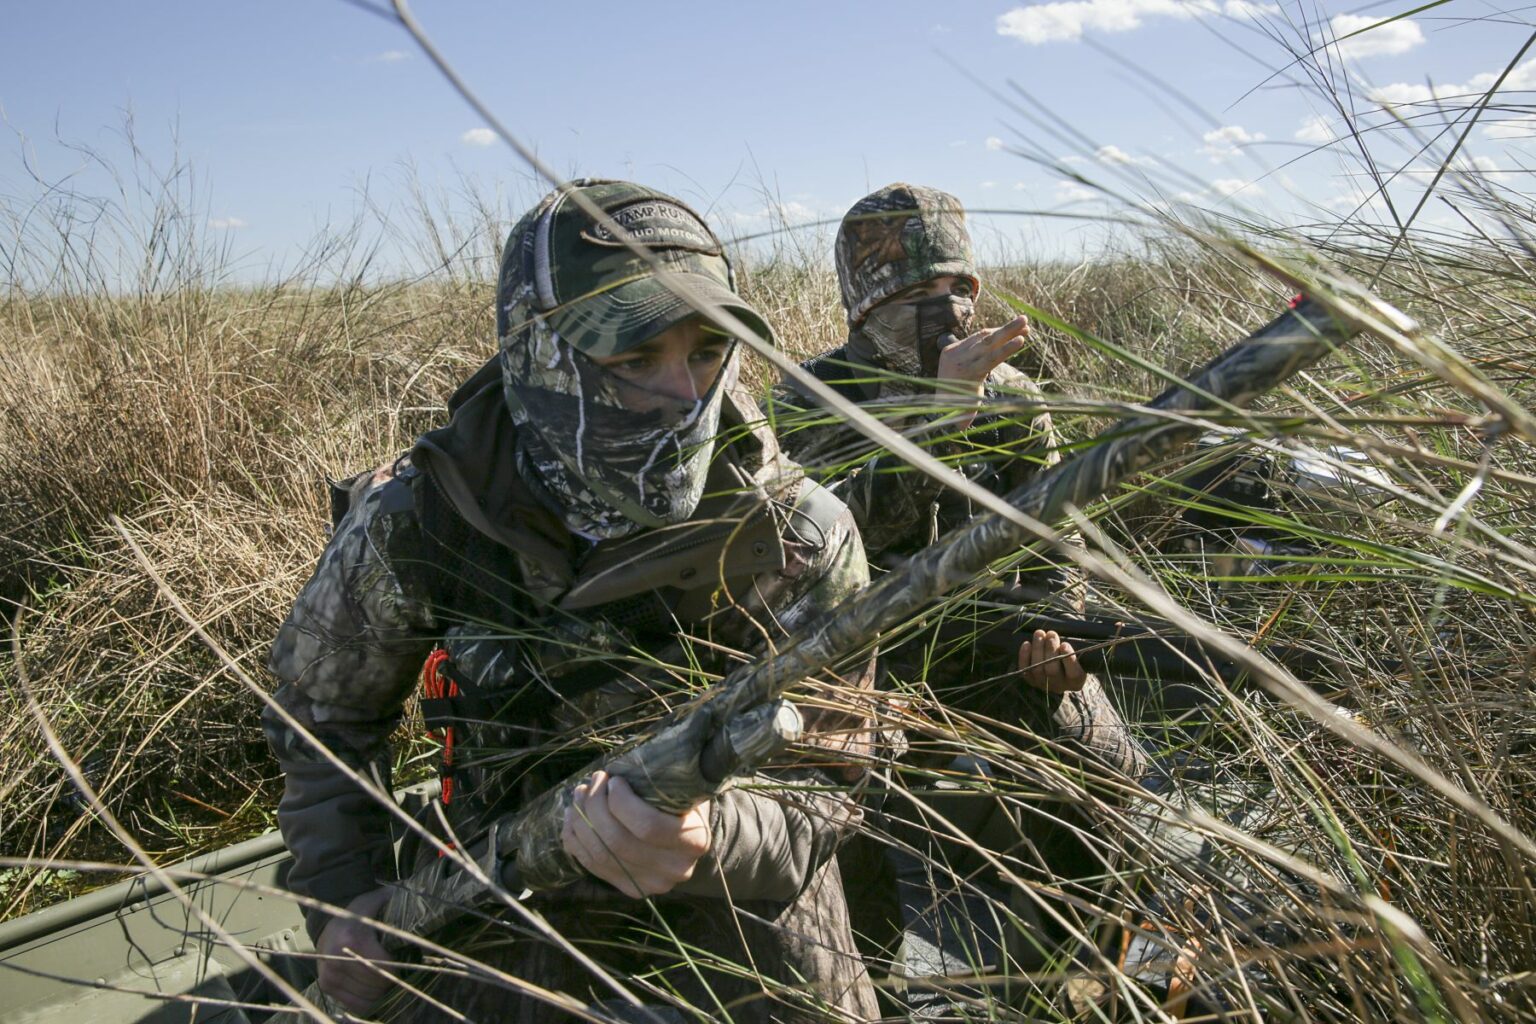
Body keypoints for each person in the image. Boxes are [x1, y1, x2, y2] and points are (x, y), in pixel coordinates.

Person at [263, 179, 881, 1023]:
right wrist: (342, 902)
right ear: (537, 355)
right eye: (634, 360)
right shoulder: (425, 520)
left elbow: (841, 779)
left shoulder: (800, 530)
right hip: (498, 885)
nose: (685, 394)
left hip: (741, 891)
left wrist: (712, 842)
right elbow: (318, 719)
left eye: (707, 351)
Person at [769, 183, 1147, 1018]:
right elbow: (822, 540)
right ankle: (872, 994)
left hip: (992, 644)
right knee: (835, 811)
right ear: (866, 308)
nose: (945, 310)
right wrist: (938, 416)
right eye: (916, 295)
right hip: (863, 662)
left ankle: (1066, 976)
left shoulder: (1014, 394)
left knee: (1111, 764)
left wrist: (1056, 627)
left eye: (959, 290)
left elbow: (1056, 531)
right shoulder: (810, 396)